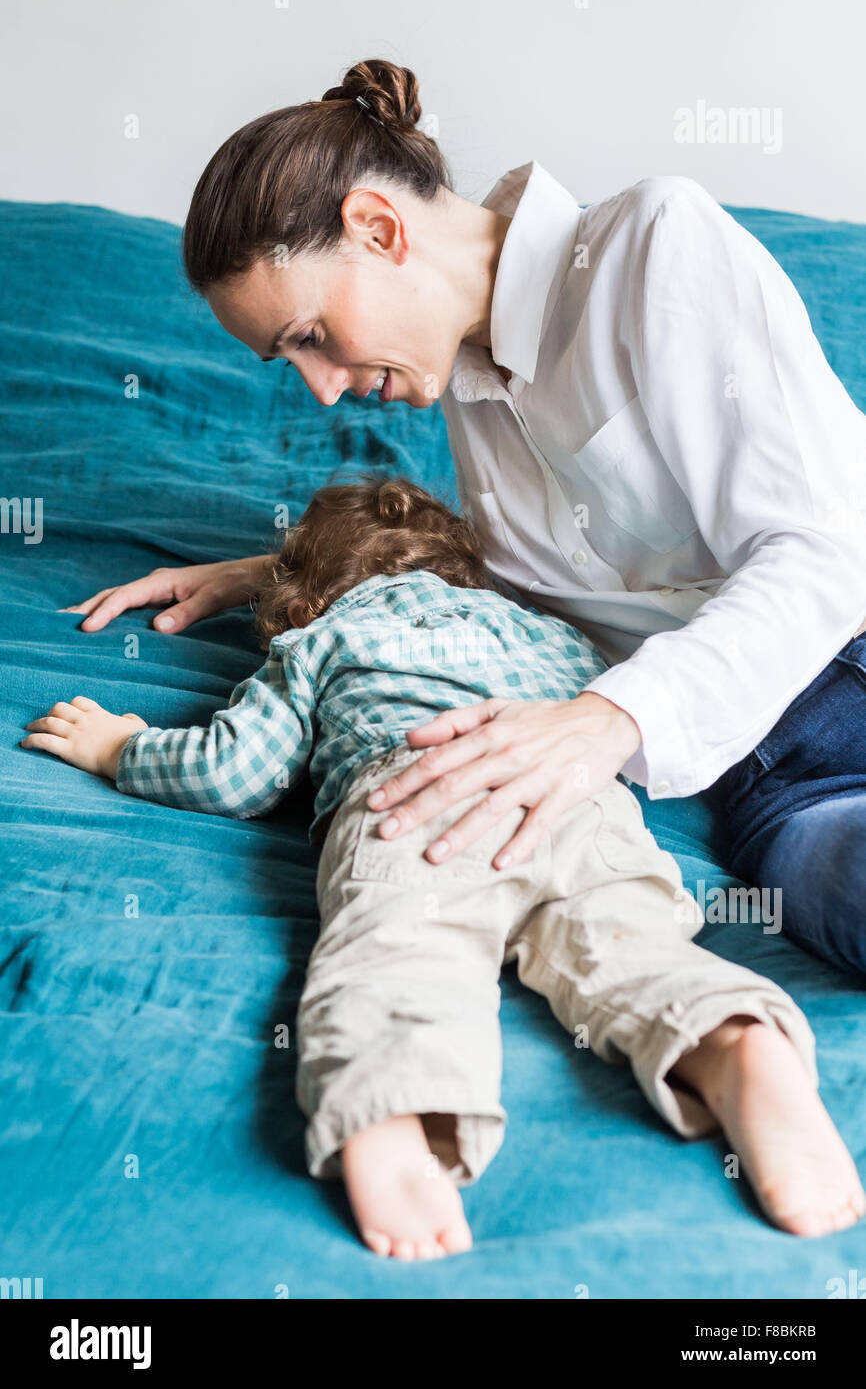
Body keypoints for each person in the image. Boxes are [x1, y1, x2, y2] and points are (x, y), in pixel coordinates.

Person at [65, 58, 866, 972]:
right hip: (766, 775)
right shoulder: (466, 382)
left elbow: (826, 553)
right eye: (291, 362)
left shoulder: (653, 243)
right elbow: (549, 576)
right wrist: (284, 571)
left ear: (377, 228)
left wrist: (607, 718)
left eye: (311, 337)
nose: (322, 389)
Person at [28, 478, 866, 1257]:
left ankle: (396, 1117)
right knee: (634, 946)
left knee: (399, 958)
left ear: (300, 602)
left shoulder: (322, 636)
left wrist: (121, 748)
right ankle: (732, 1042)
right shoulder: (552, 632)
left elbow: (238, 772)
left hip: (420, 795)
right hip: (568, 794)